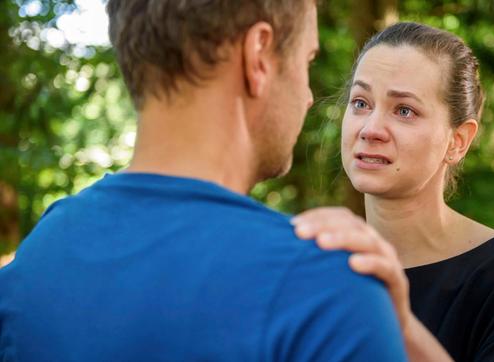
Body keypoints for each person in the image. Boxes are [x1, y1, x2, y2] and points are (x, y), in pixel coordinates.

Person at [0, 1, 408, 361]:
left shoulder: (37, 257)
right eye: (306, 61)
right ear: (259, 55)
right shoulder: (326, 292)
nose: (306, 96)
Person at [292, 22, 494, 362]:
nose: (371, 129)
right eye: (361, 103)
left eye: (404, 110)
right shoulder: (307, 270)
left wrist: (403, 329)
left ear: (458, 141)